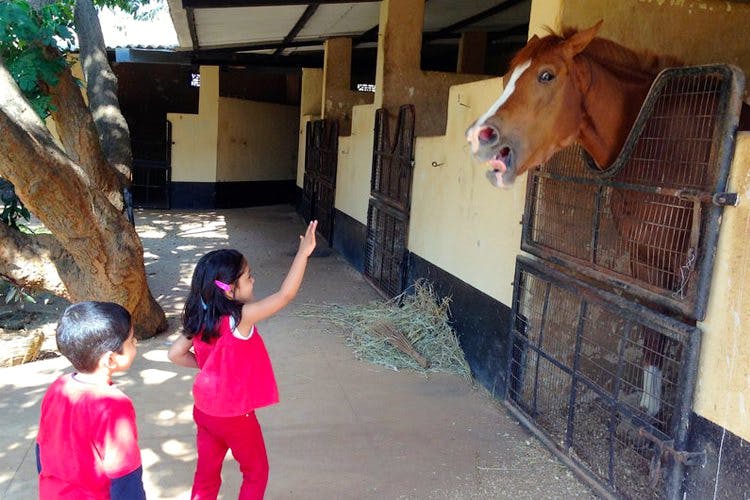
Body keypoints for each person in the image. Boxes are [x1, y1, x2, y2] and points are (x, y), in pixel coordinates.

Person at [168, 220, 317, 500]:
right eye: (248, 277)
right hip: (235, 415)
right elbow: (286, 295)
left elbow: (174, 354)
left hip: (204, 411)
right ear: (229, 289)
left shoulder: (199, 317)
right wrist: (302, 254)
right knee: (256, 471)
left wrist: (209, 366)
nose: (253, 280)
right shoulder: (240, 318)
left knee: (206, 474)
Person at [36, 301, 146, 500]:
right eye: (131, 341)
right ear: (110, 360)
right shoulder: (113, 404)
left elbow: (41, 447)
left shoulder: (58, 387)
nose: (135, 342)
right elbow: (125, 475)